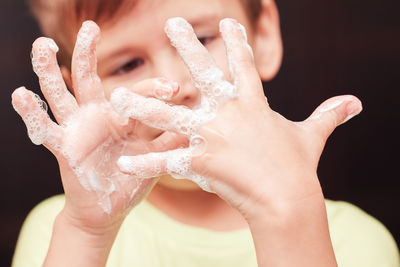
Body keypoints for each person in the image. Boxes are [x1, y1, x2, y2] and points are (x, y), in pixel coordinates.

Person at [11, 0, 400, 266]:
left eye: (201, 39)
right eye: (128, 64)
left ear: (262, 34)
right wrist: (88, 231)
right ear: (82, 92)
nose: (177, 85)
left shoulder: (350, 237)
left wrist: (288, 215)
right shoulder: (62, 229)